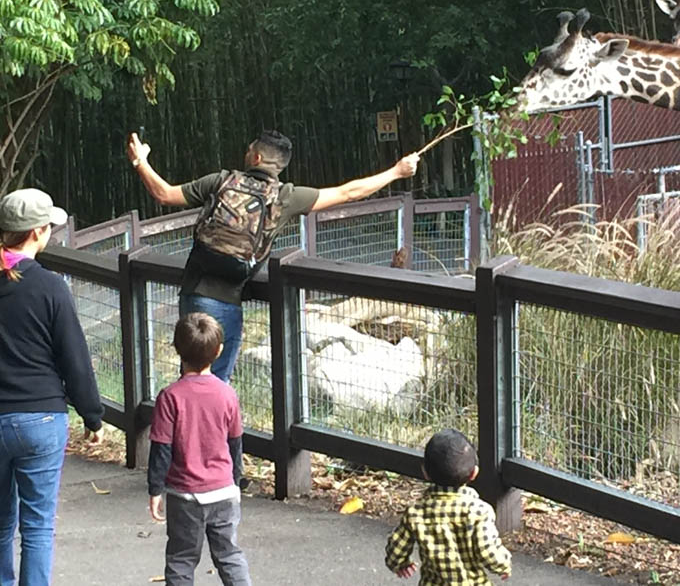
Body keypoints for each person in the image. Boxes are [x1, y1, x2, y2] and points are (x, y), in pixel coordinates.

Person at [126, 129, 419, 383]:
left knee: (190, 379)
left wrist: (141, 161)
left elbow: (163, 193)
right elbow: (349, 192)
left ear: (255, 158)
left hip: (195, 293)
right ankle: (221, 447)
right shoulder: (285, 197)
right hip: (229, 302)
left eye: (249, 149)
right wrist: (397, 171)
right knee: (218, 383)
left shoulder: (222, 181)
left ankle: (183, 445)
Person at [0, 188, 104, 586]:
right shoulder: (50, 287)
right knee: (38, 526)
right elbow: (74, 359)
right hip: (41, 417)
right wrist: (91, 415)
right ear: (39, 232)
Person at [148, 312, 250, 585]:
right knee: (229, 555)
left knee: (181, 559)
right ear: (218, 351)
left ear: (177, 349)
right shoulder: (227, 394)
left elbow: (162, 448)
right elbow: (235, 443)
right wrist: (235, 481)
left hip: (185, 495)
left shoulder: (170, 397)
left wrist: (155, 489)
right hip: (223, 491)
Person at [385, 428, 512, 584]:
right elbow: (487, 551)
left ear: (425, 472)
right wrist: (503, 564)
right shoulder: (478, 511)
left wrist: (399, 564)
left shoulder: (416, 513)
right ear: (474, 473)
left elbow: (396, 548)